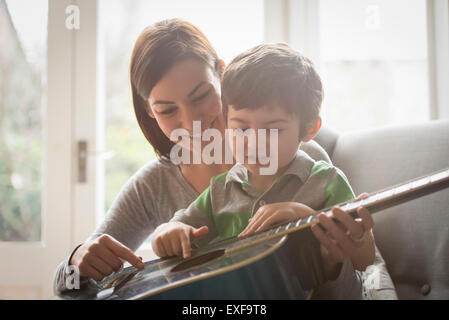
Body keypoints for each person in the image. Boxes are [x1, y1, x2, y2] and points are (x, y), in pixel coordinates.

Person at [53, 19, 393, 299]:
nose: (192, 123)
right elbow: (67, 288)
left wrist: (310, 229)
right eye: (167, 110)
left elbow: (369, 274)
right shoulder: (153, 185)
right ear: (149, 113)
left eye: (201, 96)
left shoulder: (300, 158)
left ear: (222, 75)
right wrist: (73, 262)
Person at [150, 43, 374, 299]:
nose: (254, 142)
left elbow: (365, 261)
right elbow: (176, 226)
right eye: (241, 129)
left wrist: (306, 217)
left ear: (309, 128)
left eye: (272, 129)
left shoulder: (328, 182)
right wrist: (165, 233)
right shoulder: (220, 190)